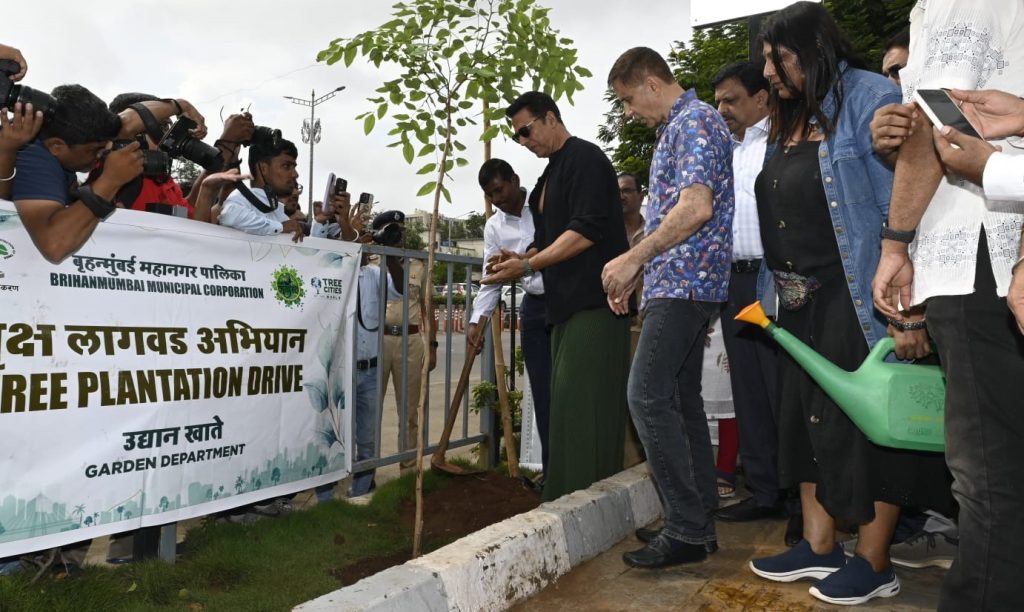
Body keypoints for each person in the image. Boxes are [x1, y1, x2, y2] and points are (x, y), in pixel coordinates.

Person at [747, 3, 950, 605]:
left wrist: (908, 309)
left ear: (813, 50)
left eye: (778, 57)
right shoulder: (787, 116)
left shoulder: (866, 97)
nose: (768, 71)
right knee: (806, 428)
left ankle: (874, 558)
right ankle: (817, 547)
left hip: (855, 294)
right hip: (793, 300)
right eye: (765, 58)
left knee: (863, 427)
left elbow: (904, 199)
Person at [871, 0, 1024, 607]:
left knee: (989, 474)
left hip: (982, 253)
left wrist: (895, 241)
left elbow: (942, 134)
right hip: (993, 250)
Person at [602, 46, 734, 569]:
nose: (629, 112)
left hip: (686, 284)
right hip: (677, 282)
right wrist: (642, 273)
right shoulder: (678, 127)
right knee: (678, 401)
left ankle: (686, 526)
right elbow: (675, 216)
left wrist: (634, 258)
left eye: (629, 100)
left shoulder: (696, 122)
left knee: (646, 396)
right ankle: (696, 521)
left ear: (652, 83)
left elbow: (696, 207)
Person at [482, 91, 630, 503]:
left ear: (550, 118)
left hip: (594, 305)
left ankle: (584, 504)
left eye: (526, 130)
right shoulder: (548, 177)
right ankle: (575, 502)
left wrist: (528, 266)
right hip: (561, 309)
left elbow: (585, 230)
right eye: (517, 137)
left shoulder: (585, 158)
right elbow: (547, 243)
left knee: (584, 412)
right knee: (564, 412)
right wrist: (523, 257)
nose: (524, 141)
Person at [709, 61, 790, 532]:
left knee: (784, 388)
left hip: (775, 277)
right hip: (733, 282)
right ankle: (764, 491)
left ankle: (803, 501)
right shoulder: (727, 150)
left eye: (731, 99)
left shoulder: (784, 143)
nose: (722, 109)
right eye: (719, 100)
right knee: (749, 391)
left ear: (762, 99)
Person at [468, 159, 551, 474]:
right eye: (490, 196)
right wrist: (478, 319)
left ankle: (574, 465)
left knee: (566, 389)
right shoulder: (494, 227)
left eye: (500, 190)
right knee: (542, 393)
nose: (497, 199)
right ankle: (552, 468)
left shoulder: (543, 206)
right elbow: (492, 278)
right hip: (532, 307)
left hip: (564, 302)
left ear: (515, 180)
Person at [11, 84, 143, 263]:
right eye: (95, 149)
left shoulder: (61, 160)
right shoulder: (32, 154)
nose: (101, 154)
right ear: (57, 146)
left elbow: (130, 121)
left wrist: (178, 105)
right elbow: (55, 246)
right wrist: (110, 181)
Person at [373, 210, 437, 472]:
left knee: (410, 411)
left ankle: (409, 470)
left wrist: (432, 347)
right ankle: (366, 471)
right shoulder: (371, 260)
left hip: (410, 340)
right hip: (377, 341)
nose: (398, 234)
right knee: (369, 409)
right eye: (391, 229)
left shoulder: (419, 263)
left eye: (400, 229)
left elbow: (427, 308)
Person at [218, 135, 324, 242]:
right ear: (263, 168)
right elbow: (229, 215)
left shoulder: (279, 213)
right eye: (286, 166)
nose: (295, 174)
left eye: (294, 167)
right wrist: (280, 227)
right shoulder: (241, 198)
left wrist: (320, 222)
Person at [616, 171, 647, 470]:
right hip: (612, 324)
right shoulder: (606, 234)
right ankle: (626, 465)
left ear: (640, 195)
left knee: (640, 393)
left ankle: (643, 462)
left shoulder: (654, 232)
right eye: (617, 192)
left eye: (627, 190)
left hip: (644, 322)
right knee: (617, 397)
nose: (622, 196)